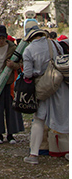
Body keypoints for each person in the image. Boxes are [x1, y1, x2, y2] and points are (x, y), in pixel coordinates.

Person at [22, 26, 68, 165]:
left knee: (39, 119)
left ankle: (33, 154)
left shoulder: (29, 50)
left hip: (42, 86)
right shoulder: (55, 44)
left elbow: (28, 74)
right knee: (65, 118)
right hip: (59, 83)